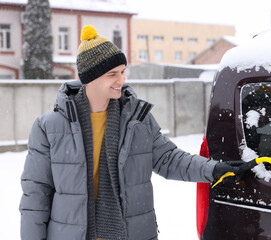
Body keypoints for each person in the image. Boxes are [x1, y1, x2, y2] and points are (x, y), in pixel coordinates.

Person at [19, 25, 245, 240]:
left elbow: (168, 159)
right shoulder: (49, 127)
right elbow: (35, 196)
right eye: (112, 74)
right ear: (91, 77)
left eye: (123, 72)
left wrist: (213, 169)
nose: (122, 80)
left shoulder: (137, 119)